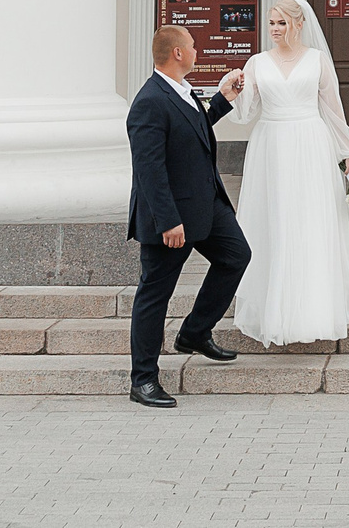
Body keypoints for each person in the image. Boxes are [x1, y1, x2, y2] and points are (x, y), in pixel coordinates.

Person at [227, 0, 349, 346]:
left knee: (310, 218)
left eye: (281, 23)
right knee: (276, 218)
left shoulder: (317, 60)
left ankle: (315, 305)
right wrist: (233, 92)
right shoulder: (257, 63)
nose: (275, 29)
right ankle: (274, 304)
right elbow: (246, 111)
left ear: (298, 24)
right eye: (271, 23)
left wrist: (348, 155)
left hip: (311, 143)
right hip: (270, 145)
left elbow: (333, 109)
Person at [124, 25, 249, 409]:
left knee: (236, 256)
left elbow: (194, 129)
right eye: (192, 46)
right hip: (171, 217)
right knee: (154, 295)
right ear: (177, 53)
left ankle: (194, 332)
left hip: (206, 204)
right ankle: (143, 379)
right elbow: (149, 169)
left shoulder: (182, 91)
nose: (197, 51)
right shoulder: (149, 101)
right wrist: (167, 221)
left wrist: (223, 99)